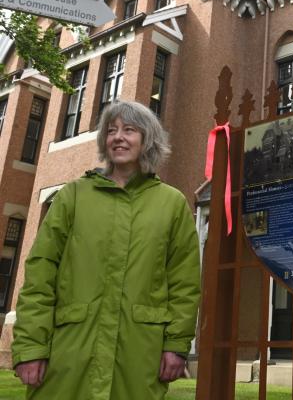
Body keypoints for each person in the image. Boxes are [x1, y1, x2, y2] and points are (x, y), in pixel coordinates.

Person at [12, 100, 201, 400]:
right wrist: (30, 347)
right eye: (111, 130)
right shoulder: (73, 195)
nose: (118, 137)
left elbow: (184, 284)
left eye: (129, 130)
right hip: (68, 352)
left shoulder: (172, 204)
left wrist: (176, 344)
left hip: (138, 356)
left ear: (147, 139)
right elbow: (40, 273)